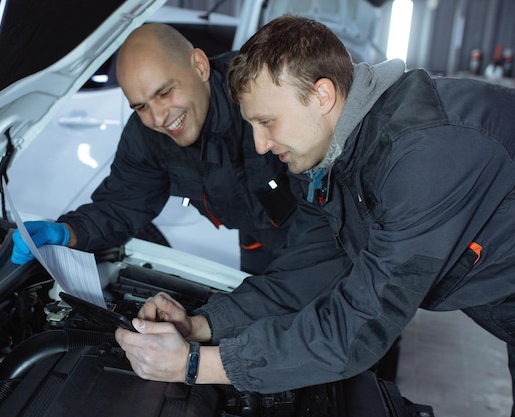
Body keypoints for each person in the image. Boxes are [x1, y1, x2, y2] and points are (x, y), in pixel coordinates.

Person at [114, 15, 515, 414]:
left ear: (322, 96)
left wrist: (194, 365)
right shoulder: (340, 160)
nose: (260, 145)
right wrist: (199, 326)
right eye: (252, 125)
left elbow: (357, 328)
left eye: (267, 122)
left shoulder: (421, 156)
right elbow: (307, 274)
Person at [10, 23, 297, 275]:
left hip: (322, 232)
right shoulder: (145, 136)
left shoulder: (262, 93)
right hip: (257, 241)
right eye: (141, 106)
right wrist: (66, 233)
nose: (159, 118)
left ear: (199, 66)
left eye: (164, 93)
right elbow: (121, 205)